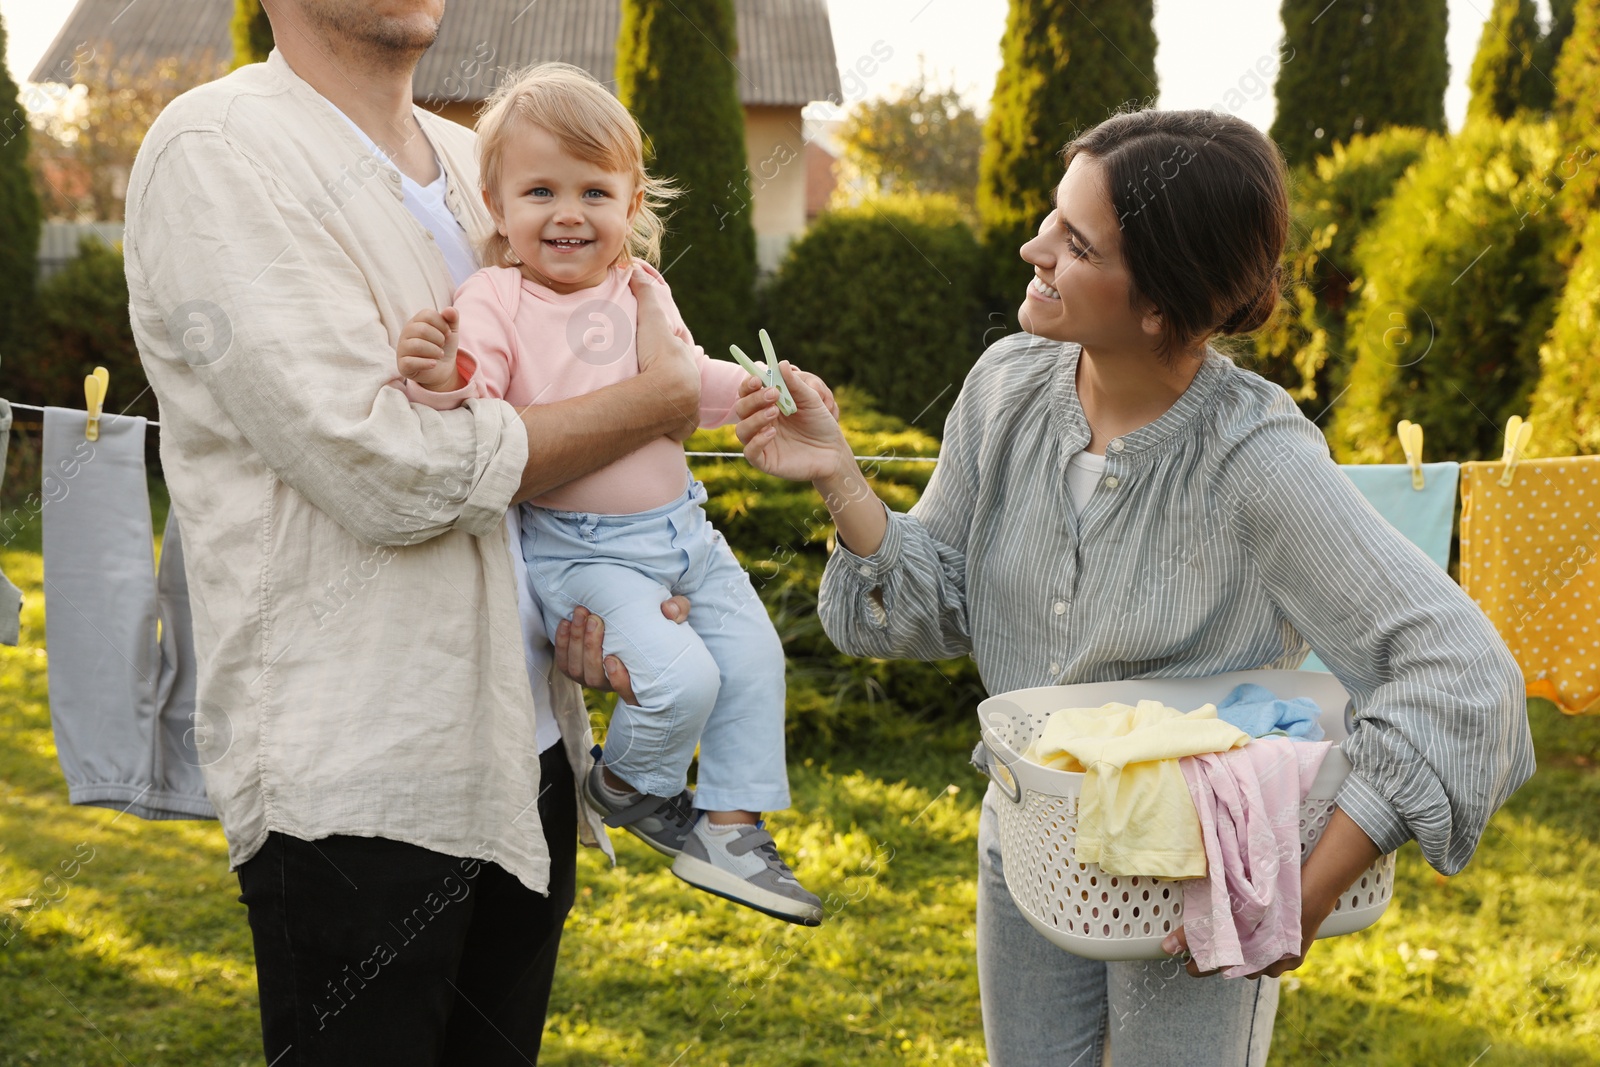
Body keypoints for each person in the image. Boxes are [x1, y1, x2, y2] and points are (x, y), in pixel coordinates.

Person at [732, 109, 1534, 1065]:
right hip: (1031, 838)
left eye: (1074, 242)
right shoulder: (1004, 389)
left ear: (1159, 302)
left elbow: (1464, 676)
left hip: (1200, 869)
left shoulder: (1257, 459)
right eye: (1051, 220)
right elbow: (934, 602)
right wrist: (839, 476)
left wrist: (1303, 888)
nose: (1033, 248)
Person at [124, 2, 701, 1062]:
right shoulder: (217, 149)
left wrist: (615, 586)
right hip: (359, 776)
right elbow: (386, 468)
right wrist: (654, 402)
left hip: (522, 747)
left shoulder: (481, 156)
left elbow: (591, 387)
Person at [394, 63, 834, 925]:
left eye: (595, 191)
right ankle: (630, 784)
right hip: (583, 548)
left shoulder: (644, 287)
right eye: (540, 191)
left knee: (752, 660)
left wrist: (756, 390)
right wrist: (440, 373)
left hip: (685, 534)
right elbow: (477, 407)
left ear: (632, 207)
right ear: (497, 205)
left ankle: (732, 829)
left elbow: (683, 381)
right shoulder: (494, 296)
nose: (568, 212)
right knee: (680, 680)